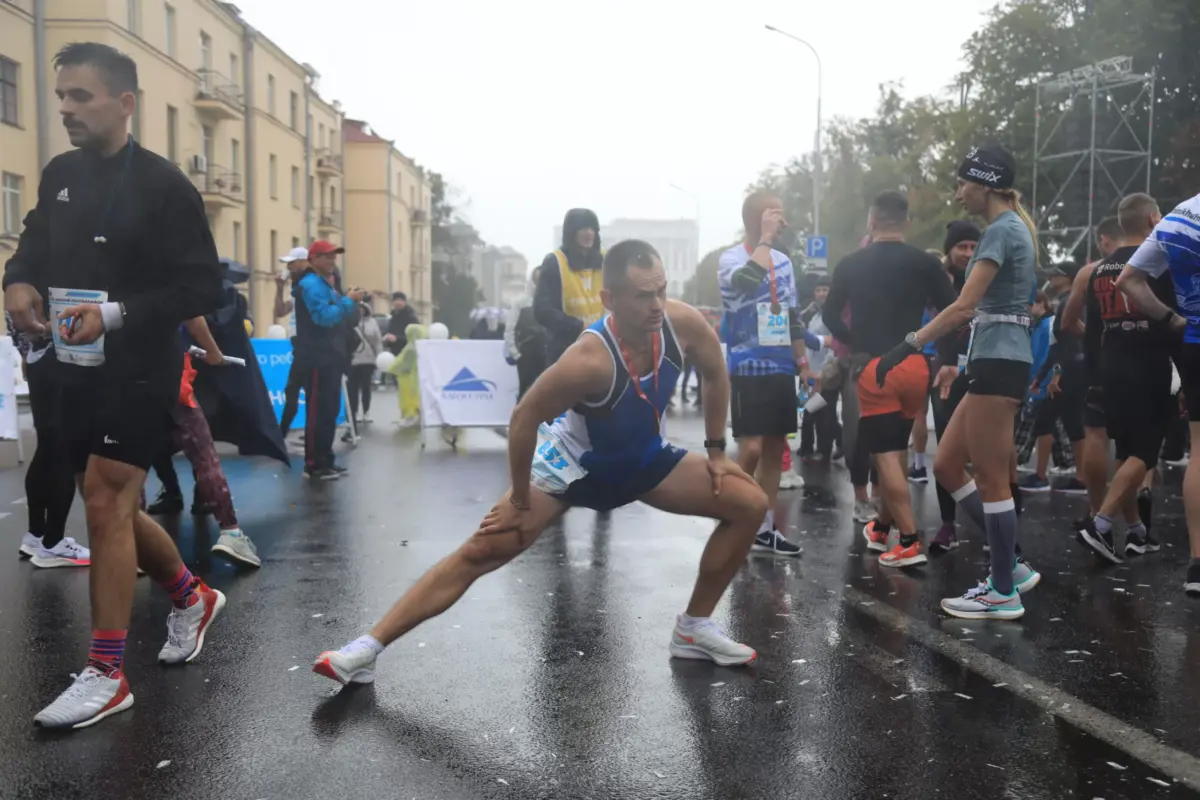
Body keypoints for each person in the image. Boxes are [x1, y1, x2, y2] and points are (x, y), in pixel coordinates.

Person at [313, 241, 768, 683]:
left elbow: (714, 372)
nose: (657, 305)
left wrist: (713, 451)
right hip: (572, 466)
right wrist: (518, 493)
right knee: (483, 548)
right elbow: (524, 416)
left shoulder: (681, 324)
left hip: (642, 459)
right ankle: (365, 650)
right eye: (643, 295)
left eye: (661, 291)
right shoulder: (588, 360)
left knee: (749, 502)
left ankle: (693, 628)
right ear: (609, 299)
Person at [4, 42, 225, 728]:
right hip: (69, 361)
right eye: (60, 96)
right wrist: (17, 281)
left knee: (103, 494)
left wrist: (115, 314)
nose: (66, 108)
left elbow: (200, 287)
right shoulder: (60, 172)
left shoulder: (165, 186)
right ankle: (191, 596)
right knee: (114, 507)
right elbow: (36, 240)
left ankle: (106, 672)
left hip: (138, 362)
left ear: (124, 104)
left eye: (81, 97)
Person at [893, 142, 1042, 620]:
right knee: (948, 465)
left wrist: (909, 343)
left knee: (993, 480)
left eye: (962, 182)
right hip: (991, 360)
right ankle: (1010, 566)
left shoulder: (1000, 230)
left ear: (984, 183)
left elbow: (963, 305)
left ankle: (1002, 589)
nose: (957, 192)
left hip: (1001, 362)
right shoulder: (1005, 228)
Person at [823, 191, 958, 568]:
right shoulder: (924, 263)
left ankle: (910, 541)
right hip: (915, 364)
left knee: (885, 459)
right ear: (907, 223)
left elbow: (830, 314)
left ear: (872, 221)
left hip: (875, 368)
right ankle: (881, 529)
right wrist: (946, 357)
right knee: (894, 450)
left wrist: (853, 340)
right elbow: (953, 311)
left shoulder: (851, 264)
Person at [1073, 194, 1173, 563]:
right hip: (1148, 366)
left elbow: (1091, 331)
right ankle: (1099, 525)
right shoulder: (1160, 264)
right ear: (1152, 220)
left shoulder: (1098, 270)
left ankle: (1135, 532)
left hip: (1110, 368)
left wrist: (1095, 376)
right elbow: (1171, 322)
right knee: (1145, 454)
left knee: (1128, 452)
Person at [718, 193, 806, 557]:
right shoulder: (731, 258)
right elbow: (742, 285)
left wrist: (802, 361)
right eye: (775, 214)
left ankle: (764, 528)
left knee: (774, 448)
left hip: (782, 365)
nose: (782, 220)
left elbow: (792, 314)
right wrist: (765, 240)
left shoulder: (785, 263)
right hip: (748, 366)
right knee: (751, 448)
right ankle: (734, 516)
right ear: (757, 219)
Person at [10, 312, 88, 567]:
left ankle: (36, 534)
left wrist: (25, 349)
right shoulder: (43, 274)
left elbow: (16, 316)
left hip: (37, 355)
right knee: (62, 446)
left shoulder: (19, 275)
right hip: (59, 355)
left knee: (47, 445)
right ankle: (53, 542)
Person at [926, 221, 981, 553]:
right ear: (949, 250)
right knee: (946, 452)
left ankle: (996, 523)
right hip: (944, 375)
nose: (968, 253)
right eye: (962, 247)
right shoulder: (938, 281)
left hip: (982, 371)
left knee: (989, 453)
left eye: (974, 247)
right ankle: (948, 525)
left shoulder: (986, 276)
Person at [293, 240, 364, 480]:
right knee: (318, 411)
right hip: (315, 357)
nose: (332, 260)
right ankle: (314, 464)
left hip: (330, 355)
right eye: (326, 256)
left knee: (329, 410)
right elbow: (323, 318)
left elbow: (337, 315)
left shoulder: (325, 284)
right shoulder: (311, 284)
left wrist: (347, 302)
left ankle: (326, 460)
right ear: (313, 259)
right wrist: (348, 301)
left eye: (334, 256)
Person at [534, 208, 604, 365]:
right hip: (565, 350)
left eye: (592, 228)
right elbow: (542, 310)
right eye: (583, 228)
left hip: (600, 345)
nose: (589, 233)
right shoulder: (555, 262)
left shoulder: (605, 260)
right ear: (571, 232)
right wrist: (578, 326)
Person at [274, 247, 309, 437]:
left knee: (295, 388)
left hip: (307, 344)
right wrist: (279, 288)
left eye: (291, 263)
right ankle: (283, 432)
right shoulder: (297, 288)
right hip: (298, 345)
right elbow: (280, 311)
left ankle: (283, 433)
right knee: (293, 389)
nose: (288, 267)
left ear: (304, 262)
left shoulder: (309, 285)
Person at [504, 267, 548, 400]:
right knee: (525, 393)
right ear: (533, 279)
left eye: (543, 279)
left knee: (547, 393)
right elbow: (510, 329)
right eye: (537, 279)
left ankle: (547, 421)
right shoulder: (520, 302)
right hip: (526, 355)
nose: (540, 282)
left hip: (547, 354)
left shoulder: (552, 302)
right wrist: (516, 354)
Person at [346, 302, 383, 426]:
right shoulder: (349, 322)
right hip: (352, 360)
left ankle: (366, 411)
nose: (360, 311)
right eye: (357, 309)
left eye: (362, 309)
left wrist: (379, 357)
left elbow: (377, 342)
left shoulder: (372, 322)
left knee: (366, 387)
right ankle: (354, 412)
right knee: (352, 389)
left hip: (368, 360)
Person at [383, 291, 418, 356]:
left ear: (405, 302)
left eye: (401, 300)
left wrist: (397, 339)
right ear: (392, 302)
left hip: (407, 353)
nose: (398, 302)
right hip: (394, 352)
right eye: (396, 300)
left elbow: (414, 336)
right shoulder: (392, 316)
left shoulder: (410, 316)